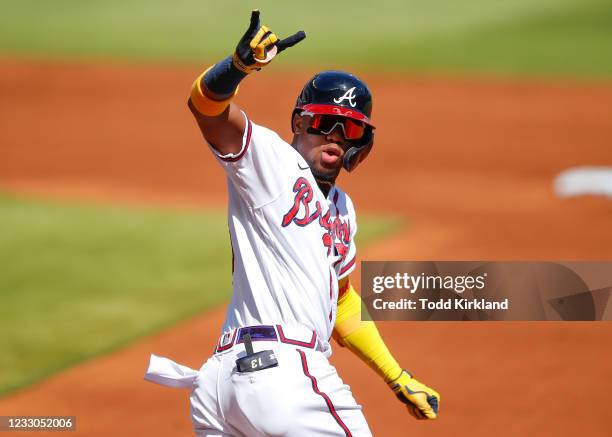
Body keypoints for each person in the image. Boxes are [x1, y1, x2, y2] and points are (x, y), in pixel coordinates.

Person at [145, 10, 440, 437]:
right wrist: (236, 67)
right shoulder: (270, 161)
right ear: (300, 123)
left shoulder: (342, 209)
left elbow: (341, 301)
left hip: (224, 387)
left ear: (362, 143)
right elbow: (206, 109)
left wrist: (397, 376)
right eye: (325, 124)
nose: (336, 136)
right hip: (281, 374)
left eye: (351, 129)